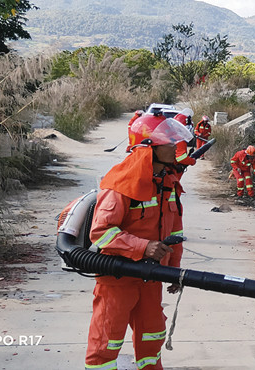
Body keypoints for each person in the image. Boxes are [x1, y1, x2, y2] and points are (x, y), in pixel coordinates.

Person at [85, 115, 194, 370]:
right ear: (149, 146)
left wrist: (174, 270)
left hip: (151, 276)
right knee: (106, 343)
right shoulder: (122, 183)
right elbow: (101, 232)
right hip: (118, 278)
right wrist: (143, 247)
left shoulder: (167, 182)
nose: (176, 147)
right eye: (169, 141)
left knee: (152, 338)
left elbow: (175, 230)